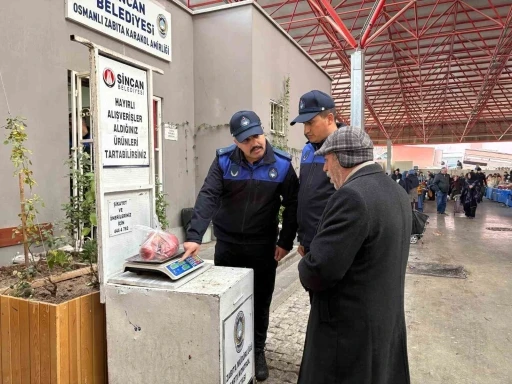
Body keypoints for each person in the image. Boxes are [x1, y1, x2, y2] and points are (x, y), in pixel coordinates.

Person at [182, 110, 299, 381]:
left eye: (257, 135)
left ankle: (257, 351)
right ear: (236, 141)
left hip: (263, 247)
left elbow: (293, 204)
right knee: (227, 302)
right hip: (228, 245)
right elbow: (209, 195)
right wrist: (195, 235)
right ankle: (229, 352)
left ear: (263, 132)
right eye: (247, 139)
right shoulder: (223, 161)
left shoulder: (281, 164)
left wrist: (285, 241)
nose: (255, 142)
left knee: (260, 302)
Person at [297, 127, 411, 384]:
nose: (325, 169)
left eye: (326, 160)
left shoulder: (351, 196)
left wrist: (306, 259)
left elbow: (319, 271)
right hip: (384, 324)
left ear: (340, 158)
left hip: (348, 335)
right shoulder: (397, 192)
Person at [289, 89, 345, 259]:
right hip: (310, 243)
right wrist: (303, 239)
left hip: (332, 243)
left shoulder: (346, 149)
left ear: (329, 119)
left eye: (311, 123)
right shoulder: (308, 149)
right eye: (303, 124)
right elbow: (307, 196)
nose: (306, 130)